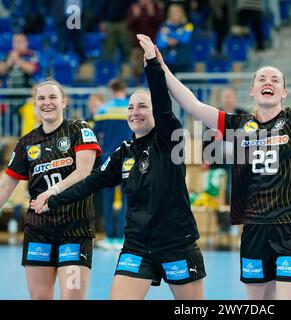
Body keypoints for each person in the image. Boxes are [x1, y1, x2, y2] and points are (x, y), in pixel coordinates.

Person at [136, 7, 291, 300]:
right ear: (252, 91)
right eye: (262, 79)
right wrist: (161, 67)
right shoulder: (238, 125)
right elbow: (191, 104)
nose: (268, 82)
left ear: (284, 92)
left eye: (275, 80)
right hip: (253, 231)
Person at [33, 67, 206, 300]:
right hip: (137, 245)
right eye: (131, 107)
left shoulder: (169, 140)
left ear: (156, 112)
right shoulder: (123, 153)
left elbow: (164, 105)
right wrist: (53, 198)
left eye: (143, 106)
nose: (135, 112)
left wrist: (153, 65)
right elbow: (91, 182)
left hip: (176, 243)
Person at [0, 79, 101, 299]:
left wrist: (51, 191)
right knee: (39, 297)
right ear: (35, 105)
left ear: (64, 102)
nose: (47, 103)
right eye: (41, 98)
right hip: (39, 230)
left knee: (72, 296)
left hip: (75, 229)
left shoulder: (79, 129)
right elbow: (6, 185)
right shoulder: (26, 143)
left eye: (53, 97)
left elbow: (84, 171)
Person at [93, 78, 132, 250]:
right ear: (125, 89)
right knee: (126, 198)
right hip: (129, 158)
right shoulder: (131, 109)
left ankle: (109, 237)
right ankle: (123, 237)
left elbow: (94, 134)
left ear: (111, 89)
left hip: (108, 158)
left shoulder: (103, 110)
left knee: (108, 199)